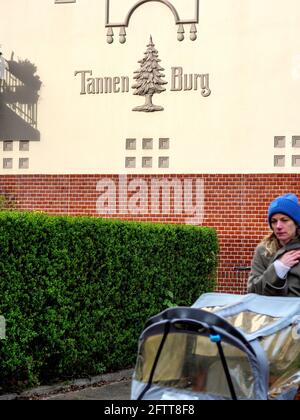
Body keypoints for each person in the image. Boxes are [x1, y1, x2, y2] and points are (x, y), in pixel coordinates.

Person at [248, 193, 300, 297]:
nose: (278, 226)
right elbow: (252, 290)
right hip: (268, 312)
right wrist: (278, 268)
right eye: (273, 221)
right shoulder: (263, 251)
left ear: (296, 223)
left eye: (284, 220)